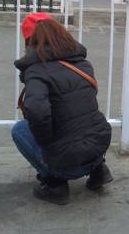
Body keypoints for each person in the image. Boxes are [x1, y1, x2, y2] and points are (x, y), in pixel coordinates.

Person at [12, 12, 113, 205]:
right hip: (98, 146)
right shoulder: (82, 64)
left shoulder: (36, 70)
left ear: (30, 42)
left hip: (66, 161)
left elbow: (36, 111)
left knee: (20, 129)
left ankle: (55, 184)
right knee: (81, 118)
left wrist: (47, 144)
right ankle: (99, 170)